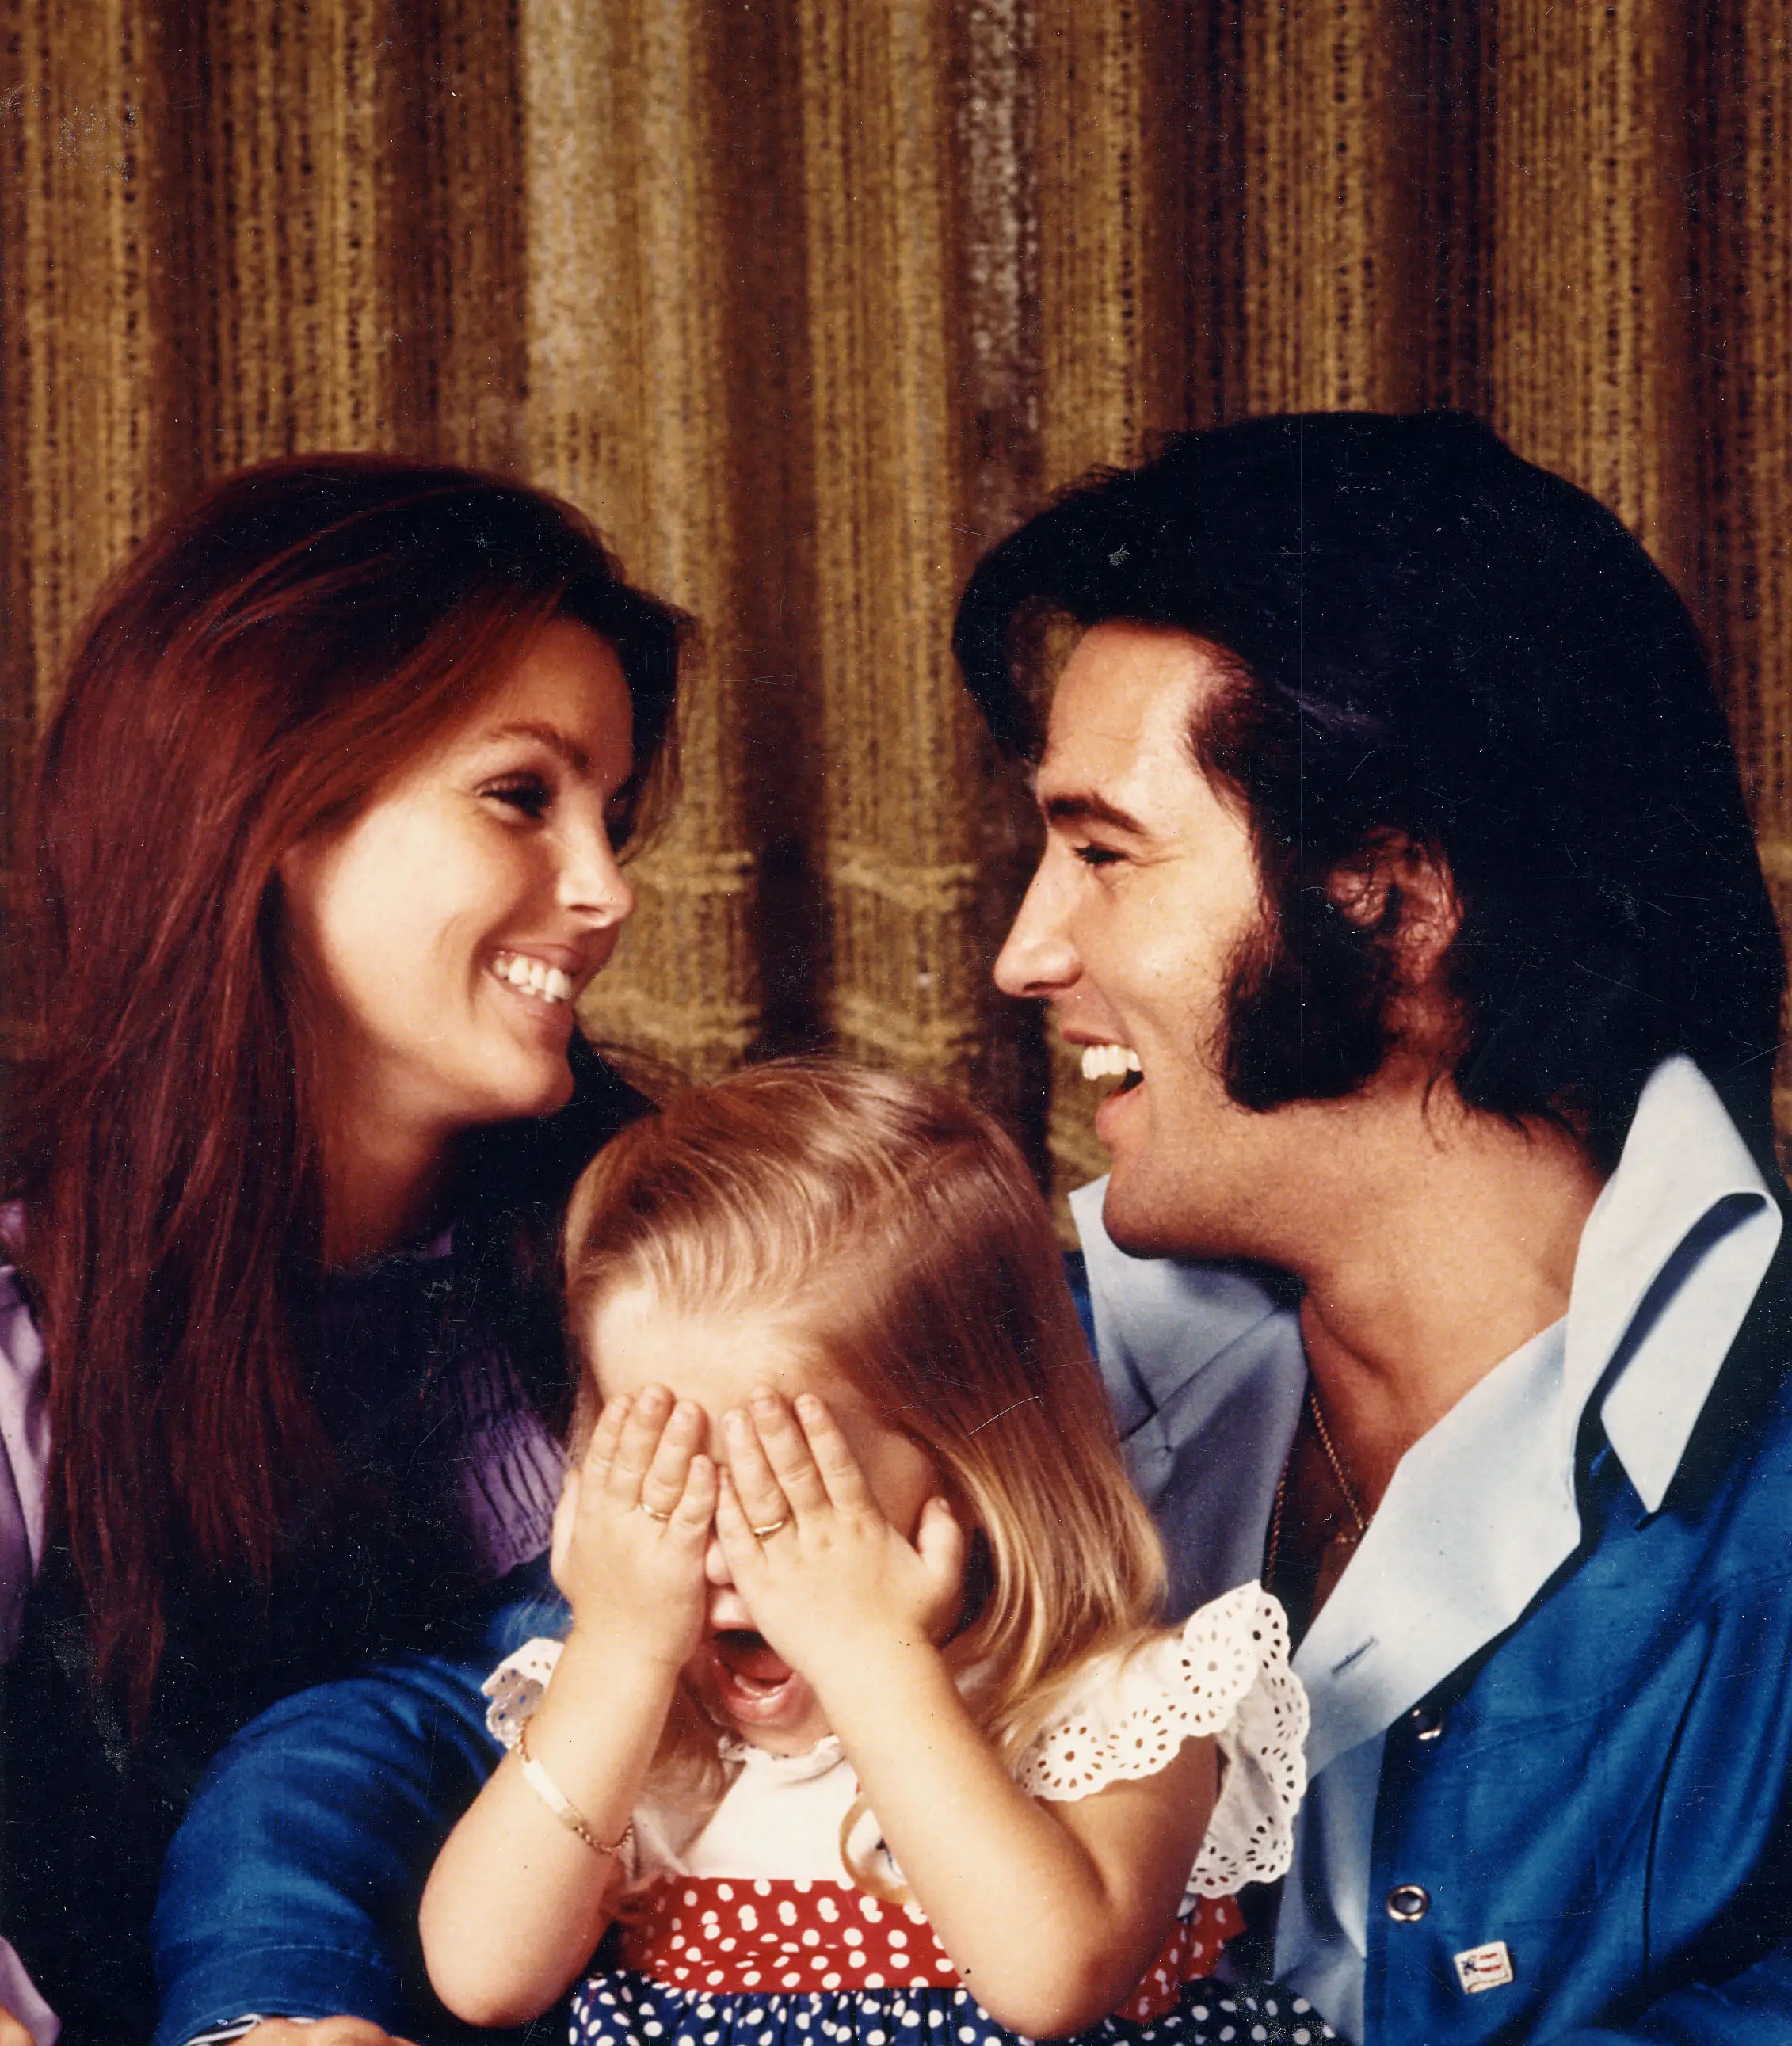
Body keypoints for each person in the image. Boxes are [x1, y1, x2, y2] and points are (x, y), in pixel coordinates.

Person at [950, 409, 1792, 2042]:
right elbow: (484, 1702)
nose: (1026, 955)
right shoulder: (1004, 1356)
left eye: (1104, 852)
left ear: (1393, 903)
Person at [0, 454, 685, 2046]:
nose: (606, 890)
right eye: (522, 795)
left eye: (612, 813)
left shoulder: (667, 1269)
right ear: (270, 814)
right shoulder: (29, 1320)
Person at [418, 1062, 1325, 2046]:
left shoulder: (1119, 1711)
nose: (721, 1555)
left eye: (785, 1496)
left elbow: (1051, 1984)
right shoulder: (639, 1732)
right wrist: (616, 1652)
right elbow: (483, 1979)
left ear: (976, 1475)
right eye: (667, 1489)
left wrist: (869, 1658)